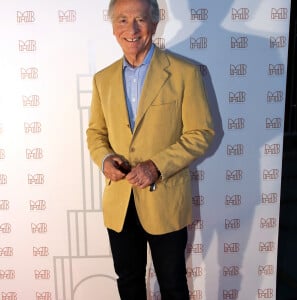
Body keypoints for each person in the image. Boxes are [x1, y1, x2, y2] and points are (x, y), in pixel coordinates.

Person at [86, 0, 214, 299]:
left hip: (165, 198)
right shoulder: (102, 79)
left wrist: (156, 166)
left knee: (172, 283)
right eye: (122, 20)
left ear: (154, 24)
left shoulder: (185, 72)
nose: (130, 29)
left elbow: (202, 132)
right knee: (128, 280)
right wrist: (104, 159)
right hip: (120, 201)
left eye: (140, 19)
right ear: (113, 26)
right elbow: (95, 132)